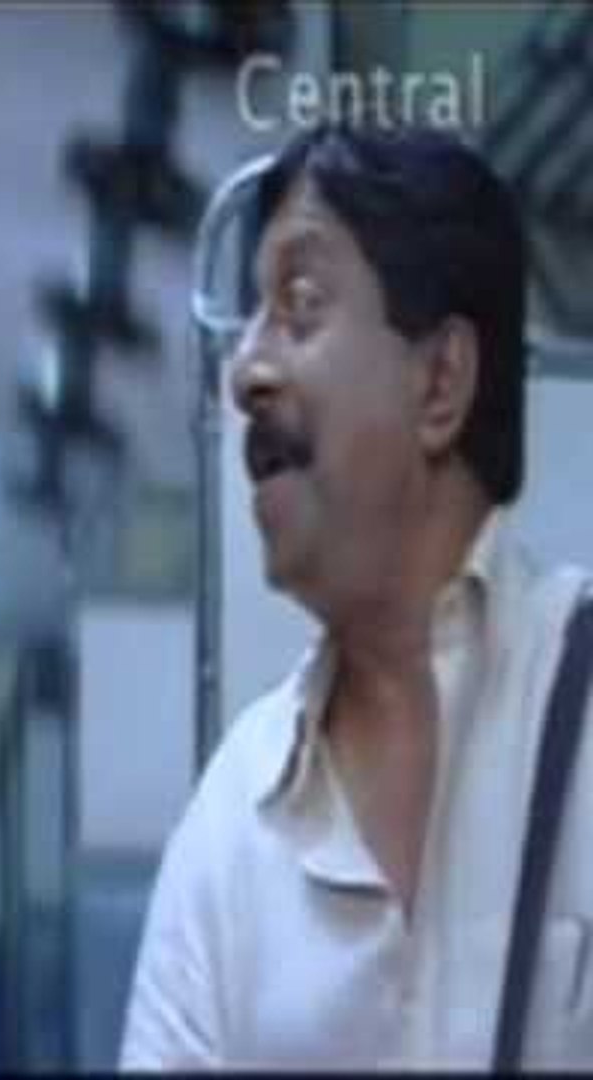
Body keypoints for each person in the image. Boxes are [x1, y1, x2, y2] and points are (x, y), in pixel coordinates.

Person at [122, 123, 593, 1068]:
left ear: (441, 382)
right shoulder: (235, 822)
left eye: (300, 306)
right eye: (251, 316)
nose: (245, 372)